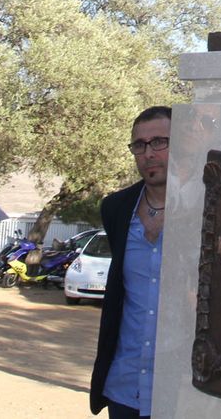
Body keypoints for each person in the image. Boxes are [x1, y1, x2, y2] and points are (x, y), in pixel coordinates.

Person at [89, 106, 170, 419]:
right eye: (140, 145)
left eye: (160, 142)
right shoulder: (116, 208)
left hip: (180, 387)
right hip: (125, 386)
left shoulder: (207, 205)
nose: (149, 153)